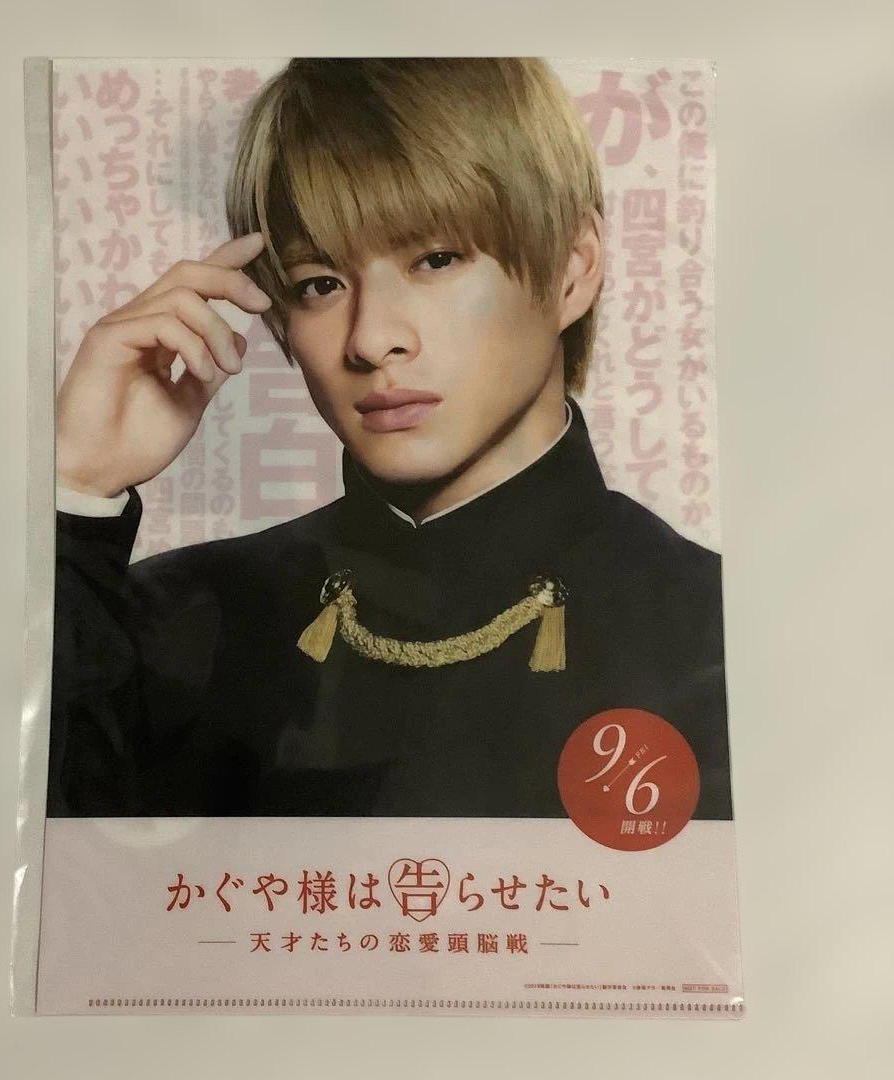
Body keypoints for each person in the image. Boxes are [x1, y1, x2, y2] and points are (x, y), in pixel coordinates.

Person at [48, 58, 733, 819]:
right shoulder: (167, 627)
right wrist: (79, 490)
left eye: (435, 259)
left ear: (572, 270)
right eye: (319, 283)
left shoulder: (718, 637)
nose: (371, 339)